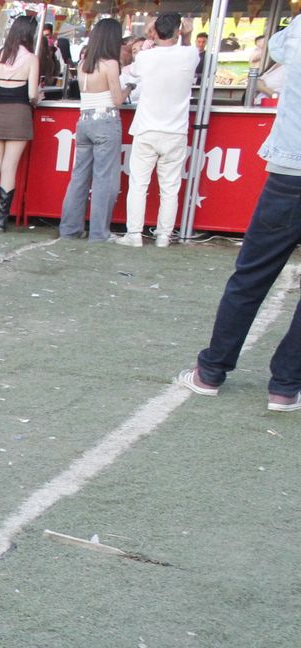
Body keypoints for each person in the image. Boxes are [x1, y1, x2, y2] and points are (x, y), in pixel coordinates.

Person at [175, 23, 301, 413]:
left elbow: (274, 50)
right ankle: (286, 385)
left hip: (289, 171)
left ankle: (211, 371)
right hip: (288, 167)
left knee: (251, 275)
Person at [117, 13, 198, 248]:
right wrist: (188, 34)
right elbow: (189, 51)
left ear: (155, 31)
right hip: (176, 130)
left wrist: (152, 34)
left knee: (138, 184)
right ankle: (163, 235)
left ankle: (134, 233)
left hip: (147, 127)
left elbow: (131, 72)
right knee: (170, 187)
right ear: (178, 31)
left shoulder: (146, 57)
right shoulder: (189, 53)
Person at [57, 17, 124, 242]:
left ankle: (69, 228)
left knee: (79, 178)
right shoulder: (110, 64)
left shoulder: (84, 62)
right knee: (104, 178)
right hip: (106, 120)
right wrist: (130, 87)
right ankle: (99, 232)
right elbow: (116, 99)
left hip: (84, 120)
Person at [0, 14, 39, 232]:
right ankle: (2, 220)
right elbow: (32, 95)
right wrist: (39, 96)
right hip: (19, 115)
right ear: (30, 34)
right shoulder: (31, 59)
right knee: (9, 168)